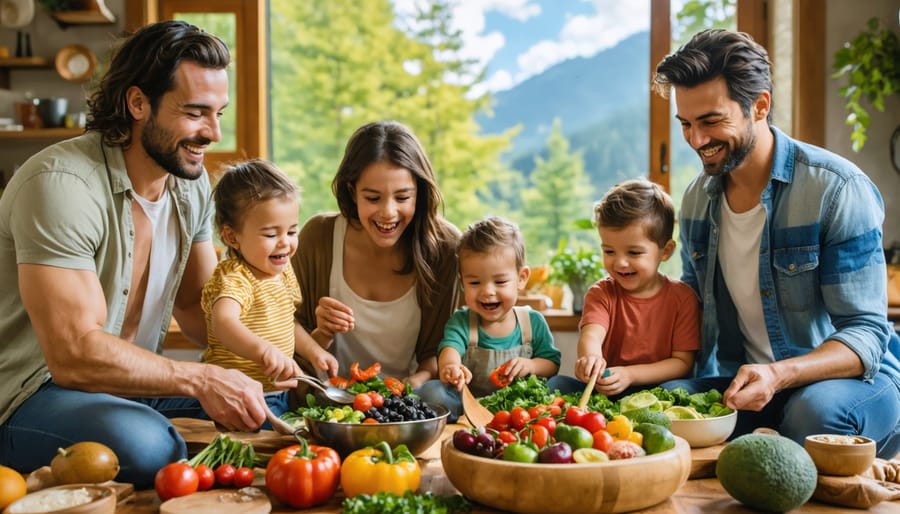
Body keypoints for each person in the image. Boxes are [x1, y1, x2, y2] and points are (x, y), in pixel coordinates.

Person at [0, 21, 280, 488]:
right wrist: (203, 380)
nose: (212, 132)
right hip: (32, 393)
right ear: (137, 103)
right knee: (149, 446)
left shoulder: (190, 188)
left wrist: (282, 351)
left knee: (273, 409)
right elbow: (73, 355)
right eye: (195, 113)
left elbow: (199, 308)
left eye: (218, 113)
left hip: (129, 384)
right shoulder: (60, 185)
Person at [652, 28, 900, 457]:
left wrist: (779, 374)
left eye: (711, 121)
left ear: (760, 106)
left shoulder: (836, 189)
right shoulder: (696, 199)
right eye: (686, 124)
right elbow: (689, 306)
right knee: (665, 402)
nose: (696, 141)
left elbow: (866, 335)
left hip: (850, 384)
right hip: (751, 383)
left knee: (813, 417)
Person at [291, 121, 460, 389]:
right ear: (351, 191)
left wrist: (413, 386)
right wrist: (320, 334)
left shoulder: (445, 247)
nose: (388, 213)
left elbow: (444, 349)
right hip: (331, 403)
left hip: (411, 404)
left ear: (420, 193)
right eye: (373, 198)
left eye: (403, 198)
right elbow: (283, 336)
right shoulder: (318, 238)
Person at [202, 159, 339, 424]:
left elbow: (288, 322)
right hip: (235, 397)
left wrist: (314, 351)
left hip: (276, 393)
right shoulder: (235, 277)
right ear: (232, 238)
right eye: (270, 234)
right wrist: (263, 351)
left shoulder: (282, 272)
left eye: (291, 231)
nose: (285, 243)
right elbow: (223, 322)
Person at [547, 180, 700, 399]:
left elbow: (682, 363)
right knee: (557, 383)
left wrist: (630, 374)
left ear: (665, 251)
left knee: (678, 389)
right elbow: (591, 336)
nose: (620, 263)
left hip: (657, 395)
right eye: (609, 251)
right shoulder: (601, 293)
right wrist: (589, 358)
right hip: (609, 390)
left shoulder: (683, 298)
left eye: (634, 253)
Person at [418, 216, 561, 421]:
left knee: (560, 386)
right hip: (469, 403)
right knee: (430, 392)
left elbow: (551, 364)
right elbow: (449, 349)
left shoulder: (532, 322)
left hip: (519, 405)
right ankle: (463, 417)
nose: (487, 292)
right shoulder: (462, 321)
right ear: (462, 283)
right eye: (475, 283)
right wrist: (451, 366)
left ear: (521, 278)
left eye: (500, 281)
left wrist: (530, 366)